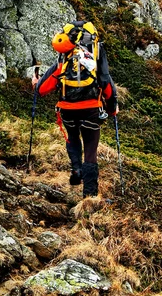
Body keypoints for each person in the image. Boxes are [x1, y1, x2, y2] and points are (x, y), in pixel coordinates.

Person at [32, 21, 118, 197]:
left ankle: (76, 170)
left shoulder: (65, 54)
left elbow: (42, 88)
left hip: (67, 109)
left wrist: (36, 84)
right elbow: (105, 81)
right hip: (91, 108)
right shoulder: (96, 51)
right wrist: (112, 107)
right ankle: (89, 195)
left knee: (72, 136)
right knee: (91, 149)